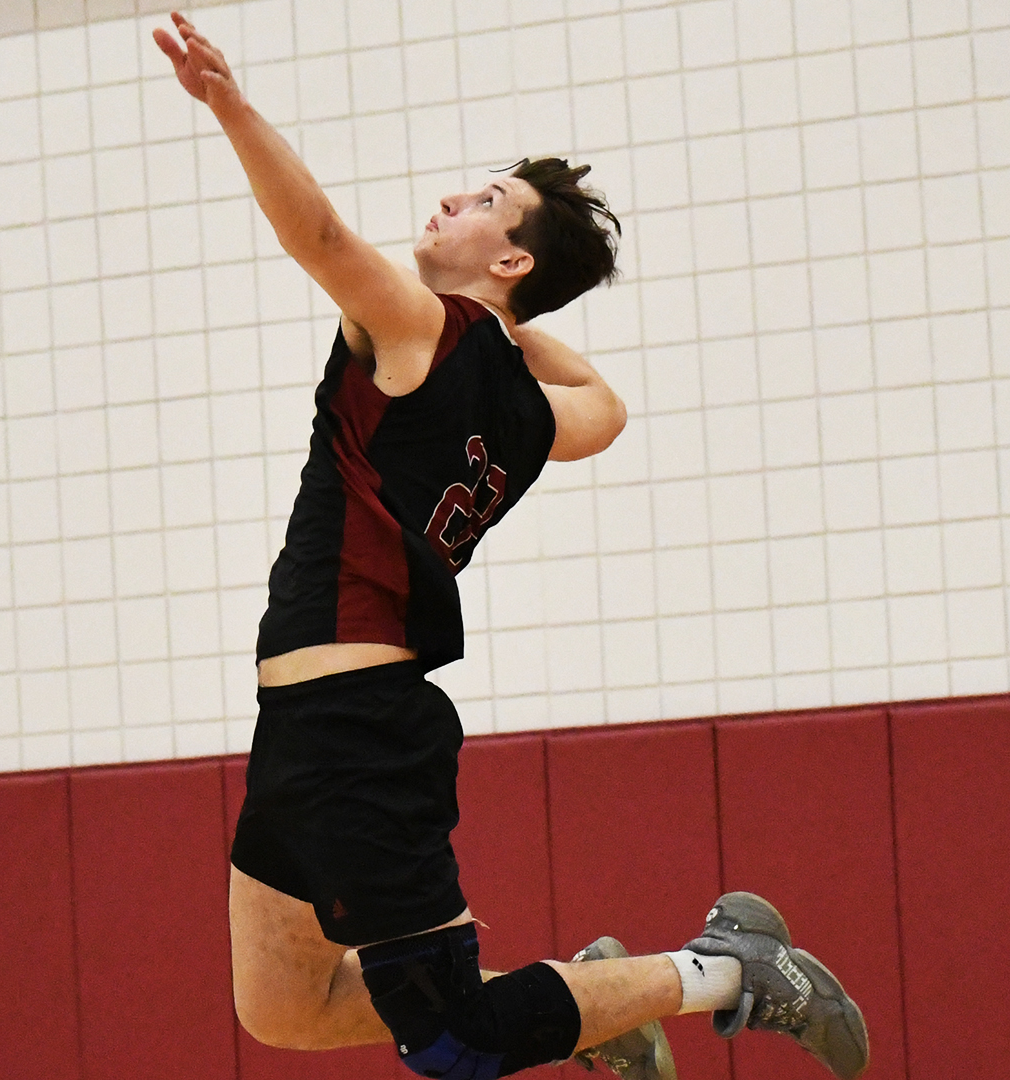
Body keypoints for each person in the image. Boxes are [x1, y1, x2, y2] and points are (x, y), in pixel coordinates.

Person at [152, 13, 870, 1080]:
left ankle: (728, 968)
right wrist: (512, 318)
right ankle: (589, 1001)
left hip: (361, 724)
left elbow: (320, 240)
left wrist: (233, 107)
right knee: (287, 1007)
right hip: (310, 725)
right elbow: (608, 406)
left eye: (482, 201)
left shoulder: (417, 332)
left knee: (454, 1043)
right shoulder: (527, 408)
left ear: (512, 253)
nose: (450, 199)